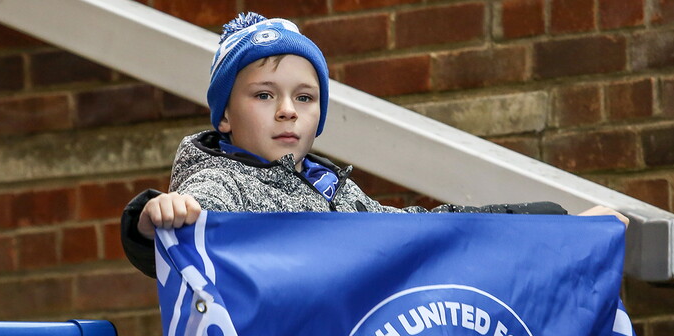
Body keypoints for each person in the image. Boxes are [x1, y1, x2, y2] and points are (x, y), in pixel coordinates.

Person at [121, 12, 627, 278]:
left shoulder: (334, 191)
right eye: (263, 95)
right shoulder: (219, 182)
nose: (287, 110)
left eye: (305, 97)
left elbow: (426, 234)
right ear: (225, 116)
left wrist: (559, 226)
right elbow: (179, 231)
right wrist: (154, 216)